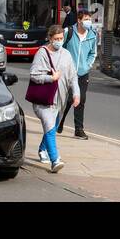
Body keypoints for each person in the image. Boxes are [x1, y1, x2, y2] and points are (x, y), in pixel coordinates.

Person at [27, 25, 78, 173]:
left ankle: (42, 149)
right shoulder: (41, 53)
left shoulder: (67, 54)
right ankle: (55, 160)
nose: (59, 41)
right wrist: (51, 78)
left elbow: (73, 76)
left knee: (53, 127)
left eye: (61, 39)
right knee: (49, 128)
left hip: (60, 100)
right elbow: (34, 75)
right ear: (50, 38)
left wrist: (76, 94)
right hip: (44, 100)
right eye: (56, 39)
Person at [59, 8, 98, 139]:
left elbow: (93, 53)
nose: (89, 21)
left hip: (82, 73)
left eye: (89, 19)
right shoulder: (68, 32)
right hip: (67, 73)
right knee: (67, 99)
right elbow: (58, 48)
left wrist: (87, 66)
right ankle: (59, 121)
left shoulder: (92, 35)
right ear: (79, 20)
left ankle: (79, 129)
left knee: (80, 100)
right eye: (86, 19)